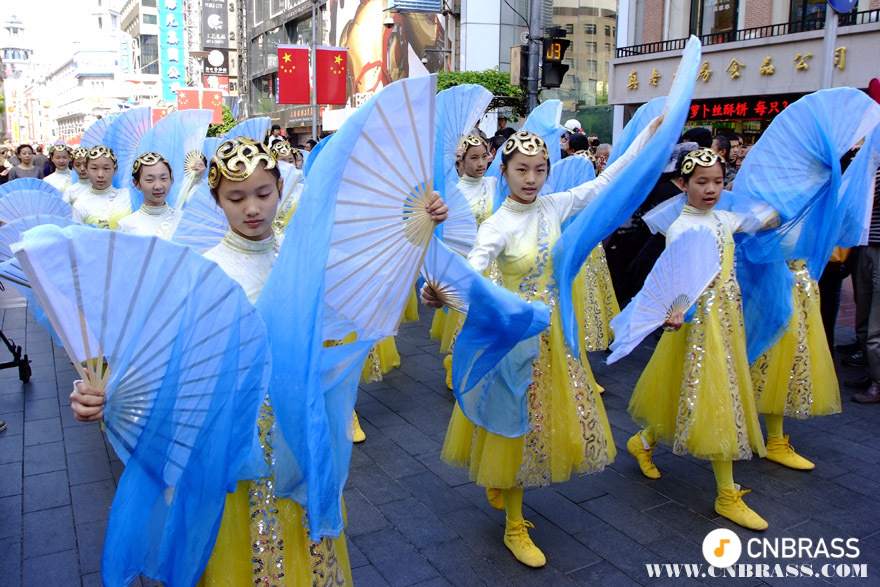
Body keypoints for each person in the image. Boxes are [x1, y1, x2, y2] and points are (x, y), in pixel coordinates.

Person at [424, 121, 659, 568]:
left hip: (553, 340)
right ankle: (514, 524)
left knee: (536, 422)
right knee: (514, 424)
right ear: (504, 171)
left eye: (539, 169)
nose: (531, 179)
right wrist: (438, 292)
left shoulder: (554, 205)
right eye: (521, 170)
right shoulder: (497, 225)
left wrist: (649, 133)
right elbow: (472, 270)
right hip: (515, 341)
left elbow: (607, 182)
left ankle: (502, 483)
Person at [627, 148, 768, 531]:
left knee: (682, 389)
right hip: (698, 327)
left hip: (726, 323)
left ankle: (644, 440)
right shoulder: (681, 228)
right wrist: (674, 311)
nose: (710, 189)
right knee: (719, 399)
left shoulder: (724, 217)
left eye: (718, 182)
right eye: (701, 182)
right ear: (682, 184)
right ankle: (726, 494)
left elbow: (766, 218)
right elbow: (676, 277)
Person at [433, 133, 496, 388]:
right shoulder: (453, 191)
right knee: (466, 320)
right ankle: (456, 363)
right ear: (461, 160)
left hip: (493, 262)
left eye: (484, 156)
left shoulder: (494, 184)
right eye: (474, 158)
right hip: (466, 265)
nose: (481, 163)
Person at [851, 167, 880, 403]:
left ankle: (877, 383)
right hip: (866, 244)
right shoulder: (871, 165)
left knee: (875, 326)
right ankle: (871, 372)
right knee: (862, 316)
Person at [116, 152, 181, 239]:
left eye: (163, 178)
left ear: (171, 179)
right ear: (136, 183)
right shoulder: (126, 225)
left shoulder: (183, 220)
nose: (158, 186)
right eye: (150, 180)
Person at [70, 146, 132, 229]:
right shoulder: (80, 205)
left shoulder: (128, 196)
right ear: (86, 169)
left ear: (115, 169)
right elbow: (77, 234)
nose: (100, 175)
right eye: (94, 168)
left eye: (106, 168)